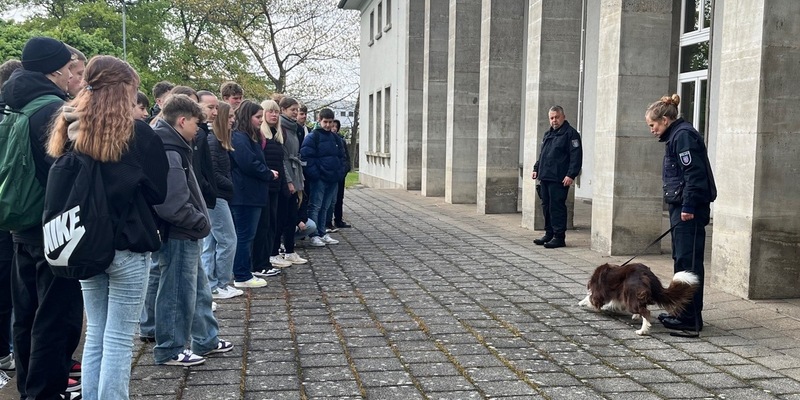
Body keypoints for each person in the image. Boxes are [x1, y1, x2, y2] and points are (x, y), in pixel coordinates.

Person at [47, 55, 169, 399]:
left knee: (97, 333)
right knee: (118, 337)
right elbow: (158, 190)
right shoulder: (137, 134)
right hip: (128, 244)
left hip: (84, 241)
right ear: (123, 91)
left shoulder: (68, 127)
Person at [2, 36, 84, 400]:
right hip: (53, 226)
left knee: (24, 316)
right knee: (55, 318)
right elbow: (65, 172)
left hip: (17, 221)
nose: (72, 76)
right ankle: (46, 393)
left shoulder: (9, 104)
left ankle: (27, 390)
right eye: (69, 68)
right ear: (55, 70)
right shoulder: (53, 110)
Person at [150, 94, 233, 367]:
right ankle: (170, 348)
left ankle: (206, 338)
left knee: (197, 290)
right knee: (176, 292)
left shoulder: (174, 143)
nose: (199, 128)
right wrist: (197, 221)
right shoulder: (170, 149)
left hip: (184, 230)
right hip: (179, 232)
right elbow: (171, 202)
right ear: (182, 120)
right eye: (196, 123)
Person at [646, 94, 716, 332]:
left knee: (689, 264)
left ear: (665, 119)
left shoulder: (683, 136)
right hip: (683, 208)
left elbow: (694, 176)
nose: (652, 130)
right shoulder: (676, 136)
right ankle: (685, 313)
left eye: (652, 125)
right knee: (683, 261)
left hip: (689, 211)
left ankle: (688, 320)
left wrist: (687, 207)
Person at [202, 101, 243, 299]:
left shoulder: (219, 142)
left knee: (211, 243)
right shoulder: (212, 142)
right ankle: (221, 283)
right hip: (217, 197)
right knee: (228, 240)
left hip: (218, 196)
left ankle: (211, 284)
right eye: (230, 117)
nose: (233, 121)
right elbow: (214, 173)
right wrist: (232, 185)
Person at [229, 100, 270, 288]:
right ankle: (241, 274)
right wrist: (267, 173)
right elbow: (248, 163)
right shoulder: (239, 137)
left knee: (246, 235)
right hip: (245, 194)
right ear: (247, 117)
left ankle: (243, 269)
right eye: (257, 117)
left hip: (251, 193)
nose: (260, 121)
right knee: (244, 235)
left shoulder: (246, 136)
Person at [531, 105, 582, 249]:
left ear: (563, 117)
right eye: (552, 118)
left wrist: (571, 174)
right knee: (546, 206)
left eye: (557, 117)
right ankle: (549, 234)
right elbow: (543, 155)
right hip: (545, 176)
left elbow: (576, 157)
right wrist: (536, 168)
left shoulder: (571, 134)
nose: (554, 120)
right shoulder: (549, 134)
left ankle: (559, 237)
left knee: (557, 207)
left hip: (559, 178)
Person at [253, 99, 291, 276]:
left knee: (272, 224)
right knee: (263, 225)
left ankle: (268, 257)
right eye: (270, 112)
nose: (274, 115)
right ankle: (260, 261)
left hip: (276, 186)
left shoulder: (277, 135)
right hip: (264, 186)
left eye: (276, 112)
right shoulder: (261, 135)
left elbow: (281, 163)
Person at [300, 108, 345, 247]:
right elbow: (306, 157)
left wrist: (339, 173)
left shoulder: (336, 138)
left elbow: (342, 157)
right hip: (319, 178)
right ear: (319, 120)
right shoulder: (313, 137)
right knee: (315, 206)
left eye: (330, 122)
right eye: (325, 122)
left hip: (332, 178)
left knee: (326, 207)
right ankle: (314, 235)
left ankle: (322, 231)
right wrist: (317, 174)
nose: (327, 125)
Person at [327, 119, 352, 231]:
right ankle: (327, 222)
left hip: (340, 174)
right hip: (329, 174)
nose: (333, 128)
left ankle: (338, 219)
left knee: (338, 198)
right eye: (332, 126)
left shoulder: (341, 141)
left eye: (335, 127)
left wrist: (344, 170)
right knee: (328, 199)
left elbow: (346, 158)